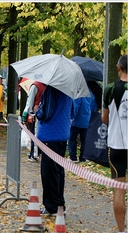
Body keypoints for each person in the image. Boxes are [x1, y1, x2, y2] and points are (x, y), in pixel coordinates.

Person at [101, 54, 128, 233]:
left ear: (118, 67)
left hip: (117, 145)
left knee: (119, 191)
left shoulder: (110, 89)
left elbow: (104, 118)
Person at [36, 85, 72, 216]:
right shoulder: (67, 89)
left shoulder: (52, 89)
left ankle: (52, 206)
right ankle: (59, 204)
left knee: (49, 171)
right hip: (62, 133)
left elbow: (47, 112)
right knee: (58, 170)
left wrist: (37, 111)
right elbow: (72, 111)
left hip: (50, 134)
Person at [21, 80, 46, 161]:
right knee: (36, 134)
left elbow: (30, 101)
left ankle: (35, 153)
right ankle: (35, 153)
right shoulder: (41, 86)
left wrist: (27, 113)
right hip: (39, 114)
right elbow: (31, 101)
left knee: (35, 134)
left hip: (38, 114)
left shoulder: (37, 86)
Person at [68, 93, 92, 162]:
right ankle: (83, 157)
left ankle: (73, 157)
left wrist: (72, 117)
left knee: (72, 139)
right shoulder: (89, 94)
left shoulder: (78, 95)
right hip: (86, 120)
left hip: (77, 121)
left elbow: (76, 107)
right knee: (84, 140)